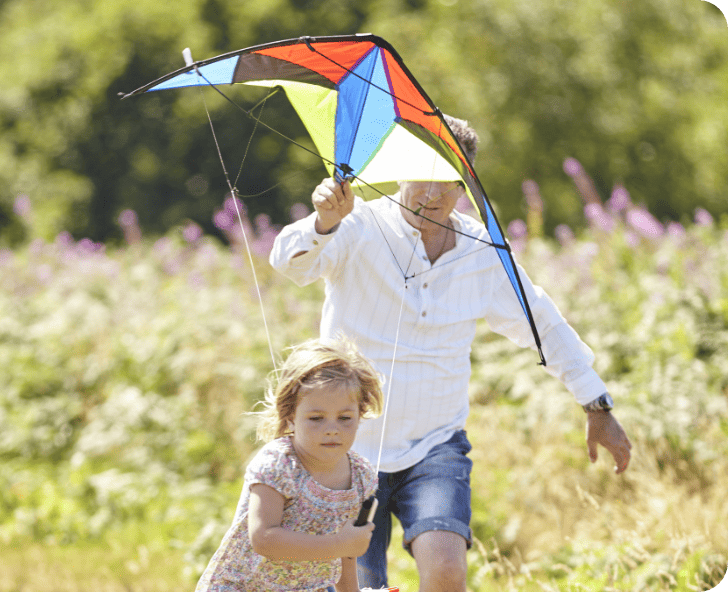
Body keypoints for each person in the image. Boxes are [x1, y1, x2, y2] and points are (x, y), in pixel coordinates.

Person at [269, 116, 632, 592]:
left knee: (445, 574)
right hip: (347, 451)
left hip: (435, 447)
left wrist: (596, 404)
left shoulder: (481, 251)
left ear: (466, 186)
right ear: (401, 171)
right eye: (424, 175)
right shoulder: (358, 226)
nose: (433, 194)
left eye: (450, 181)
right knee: (356, 585)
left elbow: (542, 320)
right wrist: (324, 222)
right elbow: (288, 263)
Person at [195, 337, 385, 592]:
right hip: (242, 587)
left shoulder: (360, 476)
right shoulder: (279, 464)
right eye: (316, 418)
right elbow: (263, 538)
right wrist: (338, 544)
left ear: (360, 414)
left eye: (345, 418)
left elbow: (346, 554)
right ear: (290, 416)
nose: (332, 430)